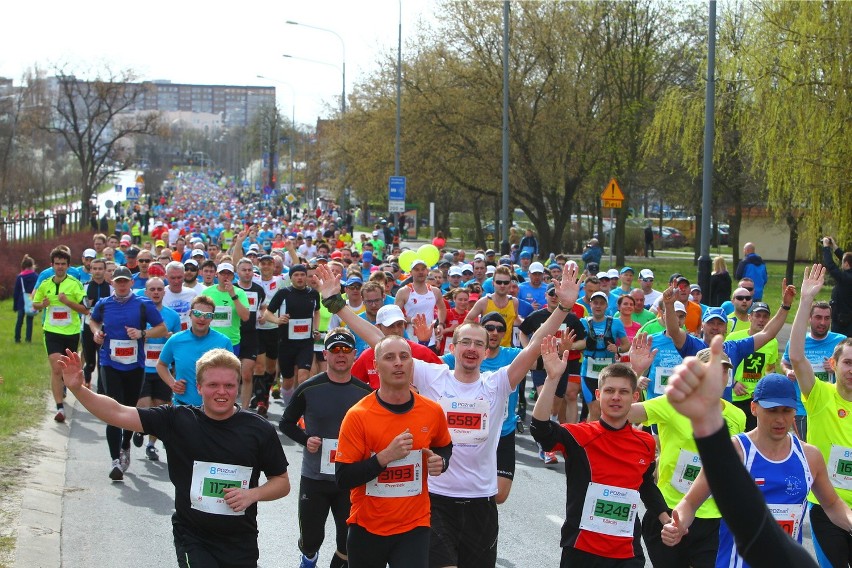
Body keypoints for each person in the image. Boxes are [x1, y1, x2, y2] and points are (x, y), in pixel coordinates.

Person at [316, 262, 582, 568]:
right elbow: (382, 342)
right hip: (436, 501)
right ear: (452, 348)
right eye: (465, 342)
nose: (472, 348)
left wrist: (563, 307)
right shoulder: (432, 376)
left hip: (481, 501)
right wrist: (337, 304)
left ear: (486, 351)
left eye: (479, 344)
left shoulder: (498, 383)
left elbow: (535, 344)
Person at [57, 348, 290, 567]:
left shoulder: (258, 430)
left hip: (241, 541)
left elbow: (282, 482)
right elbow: (118, 412)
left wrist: (253, 494)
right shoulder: (177, 420)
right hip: (194, 537)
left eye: (229, 385)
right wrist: (79, 390)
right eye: (213, 385)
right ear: (198, 387)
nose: (222, 392)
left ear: (238, 386)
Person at [663, 336, 819, 568]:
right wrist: (679, 523)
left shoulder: (809, 456)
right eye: (772, 410)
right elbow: (689, 502)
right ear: (754, 408)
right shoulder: (737, 450)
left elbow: (833, 504)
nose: (780, 419)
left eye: (786, 411)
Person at [531, 336, 670, 567]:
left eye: (624, 392)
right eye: (610, 391)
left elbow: (645, 484)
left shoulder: (646, 442)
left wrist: (666, 519)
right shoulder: (579, 436)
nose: (616, 397)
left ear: (634, 397)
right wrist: (552, 378)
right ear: (598, 396)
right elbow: (540, 429)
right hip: (582, 549)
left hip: (627, 552)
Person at [624, 337, 745, 568]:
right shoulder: (673, 404)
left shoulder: (737, 416)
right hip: (669, 511)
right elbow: (622, 412)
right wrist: (634, 371)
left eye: (723, 371)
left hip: (711, 516)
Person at [334, 335, 452, 568]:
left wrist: (442, 461)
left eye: (404, 357)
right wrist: (384, 457)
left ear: (412, 364)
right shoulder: (358, 415)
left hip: (414, 526)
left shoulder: (432, 411)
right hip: (367, 527)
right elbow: (343, 477)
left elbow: (444, 446)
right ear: (376, 367)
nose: (398, 363)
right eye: (389, 357)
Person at [279, 329, 372, 568]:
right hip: (315, 477)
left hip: (350, 480)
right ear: (325, 355)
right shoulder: (309, 388)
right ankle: (309, 557)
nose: (340, 355)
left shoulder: (366, 393)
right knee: (311, 539)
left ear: (354, 355)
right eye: (335, 350)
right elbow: (286, 423)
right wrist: (305, 439)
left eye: (346, 350)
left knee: (347, 541)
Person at [787, 264, 852, 567]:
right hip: (827, 507)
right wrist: (805, 301)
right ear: (834, 364)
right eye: (848, 363)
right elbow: (797, 355)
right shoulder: (820, 396)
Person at [88, 266, 167, 479]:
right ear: (112, 283)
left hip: (135, 365)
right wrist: (97, 333)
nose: (121, 285)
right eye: (118, 281)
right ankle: (115, 461)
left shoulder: (143, 304)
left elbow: (161, 327)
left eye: (125, 281)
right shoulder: (104, 304)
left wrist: (142, 332)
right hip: (109, 362)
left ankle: (125, 445)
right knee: (113, 408)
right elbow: (93, 320)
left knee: (129, 408)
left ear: (131, 283)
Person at [32, 247, 88, 423]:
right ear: (52, 265)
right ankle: (59, 408)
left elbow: (85, 309)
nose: (60, 267)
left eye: (63, 264)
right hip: (51, 331)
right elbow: (35, 304)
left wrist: (68, 302)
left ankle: (65, 385)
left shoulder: (75, 284)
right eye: (57, 264)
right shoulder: (46, 283)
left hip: (71, 331)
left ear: (68, 266)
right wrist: (43, 304)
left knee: (66, 368)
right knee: (57, 368)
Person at [780, 298, 845, 441]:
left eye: (827, 318)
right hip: (802, 407)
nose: (822, 322)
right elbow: (785, 362)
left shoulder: (840, 341)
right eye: (818, 317)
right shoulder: (798, 341)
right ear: (809, 318)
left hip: (831, 405)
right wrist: (788, 371)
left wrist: (836, 368)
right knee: (807, 448)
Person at [133, 277, 181, 461]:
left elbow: (178, 340)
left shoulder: (172, 316)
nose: (155, 292)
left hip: (163, 368)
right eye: (152, 289)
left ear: (164, 292)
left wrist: (170, 337)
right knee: (144, 405)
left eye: (159, 289)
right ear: (146, 292)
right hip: (143, 367)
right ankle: (139, 429)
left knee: (160, 407)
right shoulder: (138, 313)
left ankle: (151, 445)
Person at [156, 295, 233, 407]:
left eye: (207, 315)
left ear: (212, 318)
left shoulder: (224, 342)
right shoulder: (176, 340)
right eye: (197, 313)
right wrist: (173, 384)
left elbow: (232, 374)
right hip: (182, 406)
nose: (202, 318)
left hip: (213, 408)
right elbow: (161, 365)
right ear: (190, 314)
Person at [264, 264, 322, 407]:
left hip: (305, 342)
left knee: (303, 377)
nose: (300, 278)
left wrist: (316, 329)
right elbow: (267, 313)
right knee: (288, 381)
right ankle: (289, 407)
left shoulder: (313, 294)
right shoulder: (283, 293)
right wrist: (277, 320)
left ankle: (300, 411)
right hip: (286, 343)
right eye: (296, 275)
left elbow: (317, 311)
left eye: (302, 275)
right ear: (291, 278)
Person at [727, 302, 778, 431]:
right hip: (734, 397)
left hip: (756, 399)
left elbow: (770, 369)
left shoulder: (772, 342)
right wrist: (733, 383)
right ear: (750, 317)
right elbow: (721, 366)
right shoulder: (734, 338)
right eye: (758, 315)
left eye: (765, 317)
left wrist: (765, 389)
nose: (761, 320)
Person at [394, 259, 446, 349]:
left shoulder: (435, 291)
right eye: (417, 269)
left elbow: (442, 308)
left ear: (427, 271)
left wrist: (441, 324)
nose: (420, 272)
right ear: (411, 272)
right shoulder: (404, 291)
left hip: (430, 340)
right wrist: (410, 319)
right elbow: (395, 315)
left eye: (423, 269)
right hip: (410, 340)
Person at [465, 265, 521, 348]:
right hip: (486, 349)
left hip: (506, 350)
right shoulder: (484, 302)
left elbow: (516, 320)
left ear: (510, 284)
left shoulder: (514, 302)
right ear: (493, 283)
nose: (502, 285)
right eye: (499, 282)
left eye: (506, 282)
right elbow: (467, 321)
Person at [822, 236, 852, 336]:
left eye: (842, 262)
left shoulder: (846, 278)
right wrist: (834, 247)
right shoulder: (848, 275)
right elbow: (847, 258)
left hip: (843, 322)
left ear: (846, 264)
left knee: (840, 346)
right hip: (848, 319)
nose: (841, 263)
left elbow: (830, 266)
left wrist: (826, 247)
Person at [13, 254, 37, 343]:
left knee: (19, 321)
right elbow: (38, 290)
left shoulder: (20, 277)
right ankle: (28, 339)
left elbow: (16, 292)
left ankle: (17, 338)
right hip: (31, 301)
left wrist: (15, 305)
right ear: (32, 265)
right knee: (29, 321)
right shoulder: (35, 276)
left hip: (21, 302)